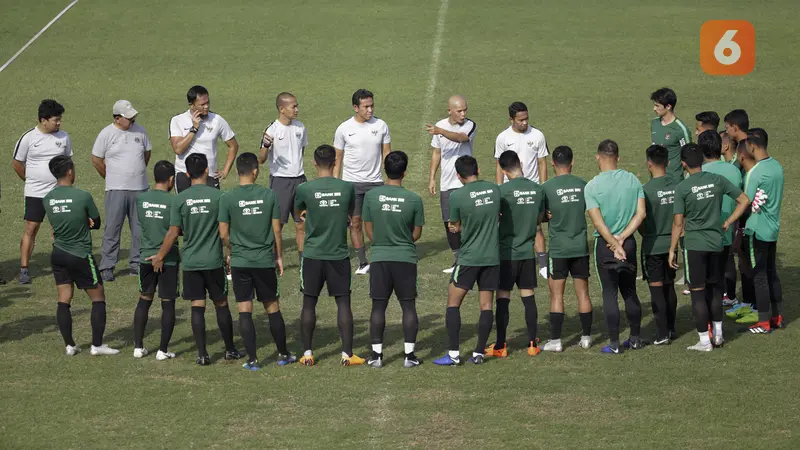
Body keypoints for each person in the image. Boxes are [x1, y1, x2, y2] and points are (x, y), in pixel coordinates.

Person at [148, 154, 242, 365]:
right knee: (221, 304)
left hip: (191, 262)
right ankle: (230, 349)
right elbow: (224, 231)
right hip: (213, 261)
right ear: (207, 170)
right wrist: (231, 252)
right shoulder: (219, 197)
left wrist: (160, 256)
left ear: (187, 174)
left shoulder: (180, 199)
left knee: (197, 306)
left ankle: (202, 354)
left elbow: (173, 233)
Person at [219, 152, 296, 371]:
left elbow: (223, 233)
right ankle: (282, 354)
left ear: (237, 171)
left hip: (240, 261)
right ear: (255, 171)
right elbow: (277, 230)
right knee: (272, 306)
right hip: (263, 261)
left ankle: (252, 360)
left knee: (244, 309)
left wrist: (232, 249)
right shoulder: (269, 195)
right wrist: (279, 256)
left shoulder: (227, 197)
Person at [669, 144, 749, 351]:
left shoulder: (683, 187)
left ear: (684, 164)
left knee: (697, 293)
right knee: (715, 290)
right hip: (716, 243)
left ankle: (704, 341)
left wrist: (672, 249)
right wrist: (728, 221)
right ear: (702, 161)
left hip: (695, 245)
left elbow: (678, 223)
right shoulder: (717, 180)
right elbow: (744, 200)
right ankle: (719, 335)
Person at [294, 144, 364, 366]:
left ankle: (307, 353)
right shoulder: (347, 188)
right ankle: (347, 354)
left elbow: (299, 212)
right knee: (343, 303)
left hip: (313, 254)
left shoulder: (305, 189)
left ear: (314, 163)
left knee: (309, 303)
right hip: (338, 254)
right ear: (335, 162)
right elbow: (352, 216)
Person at [44, 155, 118, 356]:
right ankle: (97, 345)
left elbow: (56, 224)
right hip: (80, 254)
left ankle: (70, 345)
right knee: (98, 298)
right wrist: (85, 221)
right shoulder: (83, 196)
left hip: (58, 254)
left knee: (64, 299)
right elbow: (97, 221)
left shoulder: (48, 198)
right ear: (69, 172)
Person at [433, 156, 501, 366]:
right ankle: (479, 352)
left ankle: (453, 354)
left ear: (458, 176)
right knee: (487, 305)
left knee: (453, 303)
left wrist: (459, 227)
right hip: (492, 256)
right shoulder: (494, 190)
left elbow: (454, 225)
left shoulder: (457, 196)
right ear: (478, 169)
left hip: (470, 257)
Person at [362, 151, 425, 368]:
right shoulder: (414, 199)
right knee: (408, 306)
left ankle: (377, 356)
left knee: (378, 307)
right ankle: (409, 356)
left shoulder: (371, 197)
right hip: (405, 258)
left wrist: (380, 241)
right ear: (404, 172)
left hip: (380, 257)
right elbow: (416, 234)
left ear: (384, 170)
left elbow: (367, 228)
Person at [585, 140, 647, 354]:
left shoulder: (592, 186)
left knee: (609, 293)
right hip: (628, 243)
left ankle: (614, 344)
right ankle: (636, 338)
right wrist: (622, 239)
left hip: (605, 246)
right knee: (630, 291)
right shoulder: (633, 180)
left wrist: (613, 243)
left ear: (597, 157)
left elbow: (598, 222)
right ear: (618, 157)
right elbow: (641, 214)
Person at [485, 151, 543, 358]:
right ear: (521, 164)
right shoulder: (537, 189)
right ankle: (532, 344)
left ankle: (500, 346)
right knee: (528, 296)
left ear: (502, 169)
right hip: (528, 251)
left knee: (503, 298)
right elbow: (542, 217)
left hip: (506, 253)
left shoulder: (502, 192)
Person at [13, 99, 72, 284]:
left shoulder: (63, 137)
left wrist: (67, 187)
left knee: (60, 230)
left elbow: (69, 163)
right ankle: (24, 269)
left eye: (60, 119)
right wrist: (31, 180)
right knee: (31, 228)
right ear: (44, 120)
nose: (59, 123)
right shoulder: (29, 138)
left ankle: (63, 265)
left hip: (57, 193)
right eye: (56, 119)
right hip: (34, 193)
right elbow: (17, 164)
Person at [333, 89, 392, 275]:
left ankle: (382, 256)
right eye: (366, 106)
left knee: (380, 222)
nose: (370, 110)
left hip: (376, 183)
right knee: (355, 223)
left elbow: (387, 154)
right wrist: (336, 183)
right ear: (355, 107)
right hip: (352, 184)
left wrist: (391, 180)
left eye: (372, 105)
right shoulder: (344, 129)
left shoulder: (381, 125)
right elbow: (338, 158)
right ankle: (362, 262)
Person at [92, 100, 151, 282]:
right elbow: (96, 159)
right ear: (117, 118)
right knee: (112, 228)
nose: (132, 120)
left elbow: (146, 154)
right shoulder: (106, 134)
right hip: (116, 189)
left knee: (139, 229)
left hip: (140, 189)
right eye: (129, 118)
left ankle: (137, 263)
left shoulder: (140, 131)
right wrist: (111, 177)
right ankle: (107, 266)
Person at [541, 146, 593, 352]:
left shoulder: (546, 188)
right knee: (583, 294)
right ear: (572, 162)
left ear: (552, 163)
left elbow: (540, 217)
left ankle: (556, 341)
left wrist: (546, 215)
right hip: (580, 246)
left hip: (559, 249)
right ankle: (587, 337)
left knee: (556, 296)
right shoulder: (583, 185)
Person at [494, 101, 549, 277]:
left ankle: (542, 264)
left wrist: (543, 186)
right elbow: (498, 165)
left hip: (531, 186)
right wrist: (499, 188)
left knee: (536, 226)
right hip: (509, 189)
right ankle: (510, 258)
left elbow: (542, 162)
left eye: (526, 119)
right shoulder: (503, 138)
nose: (524, 122)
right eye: (520, 120)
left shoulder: (538, 135)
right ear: (511, 119)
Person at [738, 129, 784, 333]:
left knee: (759, 275)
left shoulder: (755, 172)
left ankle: (764, 321)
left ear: (752, 146)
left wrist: (730, 219)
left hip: (756, 230)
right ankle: (777, 316)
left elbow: (745, 201)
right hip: (773, 228)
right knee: (772, 273)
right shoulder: (777, 167)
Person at [133, 161, 179, 360]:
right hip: (167, 258)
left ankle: (138, 347)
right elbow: (176, 230)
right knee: (167, 304)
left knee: (144, 300)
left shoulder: (141, 199)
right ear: (171, 180)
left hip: (145, 256)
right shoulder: (174, 201)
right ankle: (163, 350)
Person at [427, 95, 476, 273]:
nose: (463, 114)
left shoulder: (469, 125)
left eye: (465, 110)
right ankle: (458, 259)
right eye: (459, 111)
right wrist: (432, 177)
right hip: (446, 183)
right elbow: (436, 153)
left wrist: (440, 131)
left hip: (466, 183)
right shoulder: (441, 126)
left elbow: (461, 138)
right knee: (449, 223)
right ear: (450, 111)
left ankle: (470, 257)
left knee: (468, 222)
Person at [258, 92, 307, 264]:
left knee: (302, 223)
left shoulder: (300, 127)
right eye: (293, 106)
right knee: (277, 224)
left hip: (300, 180)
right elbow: (261, 159)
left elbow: (301, 151)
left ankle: (303, 262)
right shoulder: (271, 130)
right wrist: (265, 145)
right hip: (281, 181)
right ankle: (274, 258)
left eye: (296, 105)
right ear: (281, 109)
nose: (296, 109)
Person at [639, 145, 679, 344]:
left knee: (656, 289)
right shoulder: (678, 185)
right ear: (668, 162)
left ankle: (662, 333)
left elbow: (641, 221)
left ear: (648, 164)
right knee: (669, 286)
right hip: (672, 244)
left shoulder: (645, 191)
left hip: (653, 245)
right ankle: (671, 329)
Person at [699, 131, 742, 311]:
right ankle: (730, 296)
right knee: (728, 261)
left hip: (704, 233)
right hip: (728, 227)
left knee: (708, 277)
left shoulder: (699, 172)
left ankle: (710, 313)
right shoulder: (733, 170)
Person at [169, 85, 239, 193]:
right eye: (202, 104)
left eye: (207, 103)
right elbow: (178, 149)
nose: (206, 106)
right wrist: (194, 129)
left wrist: (225, 171)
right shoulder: (177, 120)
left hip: (209, 175)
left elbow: (233, 145)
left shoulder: (217, 120)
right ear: (191, 105)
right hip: (185, 175)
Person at [650, 87, 692, 182]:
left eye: (657, 106)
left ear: (668, 106)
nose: (654, 109)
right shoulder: (654, 124)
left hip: (674, 181)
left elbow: (689, 156)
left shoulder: (680, 130)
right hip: (655, 179)